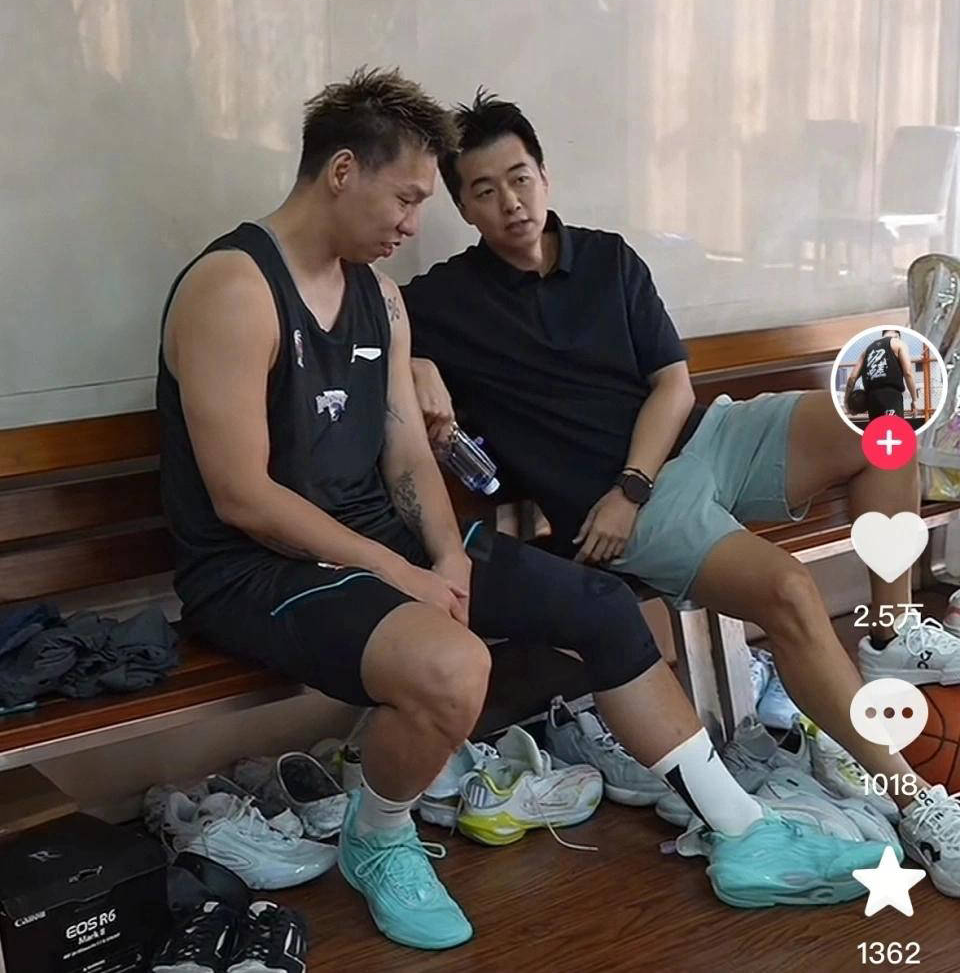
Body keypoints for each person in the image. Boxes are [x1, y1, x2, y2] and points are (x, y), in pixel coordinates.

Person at [156, 69, 890, 950]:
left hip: (375, 539)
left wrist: (446, 554)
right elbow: (242, 496)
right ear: (343, 171)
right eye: (408, 198)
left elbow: (405, 456)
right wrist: (398, 570)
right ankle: (378, 837)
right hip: (254, 568)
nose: (413, 225)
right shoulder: (234, 289)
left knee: (602, 605)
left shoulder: (378, 297)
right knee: (454, 668)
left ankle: (743, 832)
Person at [402, 89, 960, 896]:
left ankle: (889, 630)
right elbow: (367, 322)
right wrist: (417, 363)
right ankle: (918, 803)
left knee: (883, 419)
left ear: (544, 175)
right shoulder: (445, 302)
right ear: (463, 208)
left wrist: (636, 481)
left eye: (519, 179)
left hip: (695, 444)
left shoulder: (607, 259)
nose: (510, 203)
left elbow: (671, 384)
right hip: (629, 512)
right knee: (789, 593)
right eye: (484, 191)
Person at [843, 329, 917, 422]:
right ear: (897, 335)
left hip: (872, 400)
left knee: (877, 429)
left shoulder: (867, 350)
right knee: (893, 429)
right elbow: (908, 373)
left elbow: (852, 378)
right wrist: (914, 400)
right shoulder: (898, 343)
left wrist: (846, 401)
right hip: (891, 397)